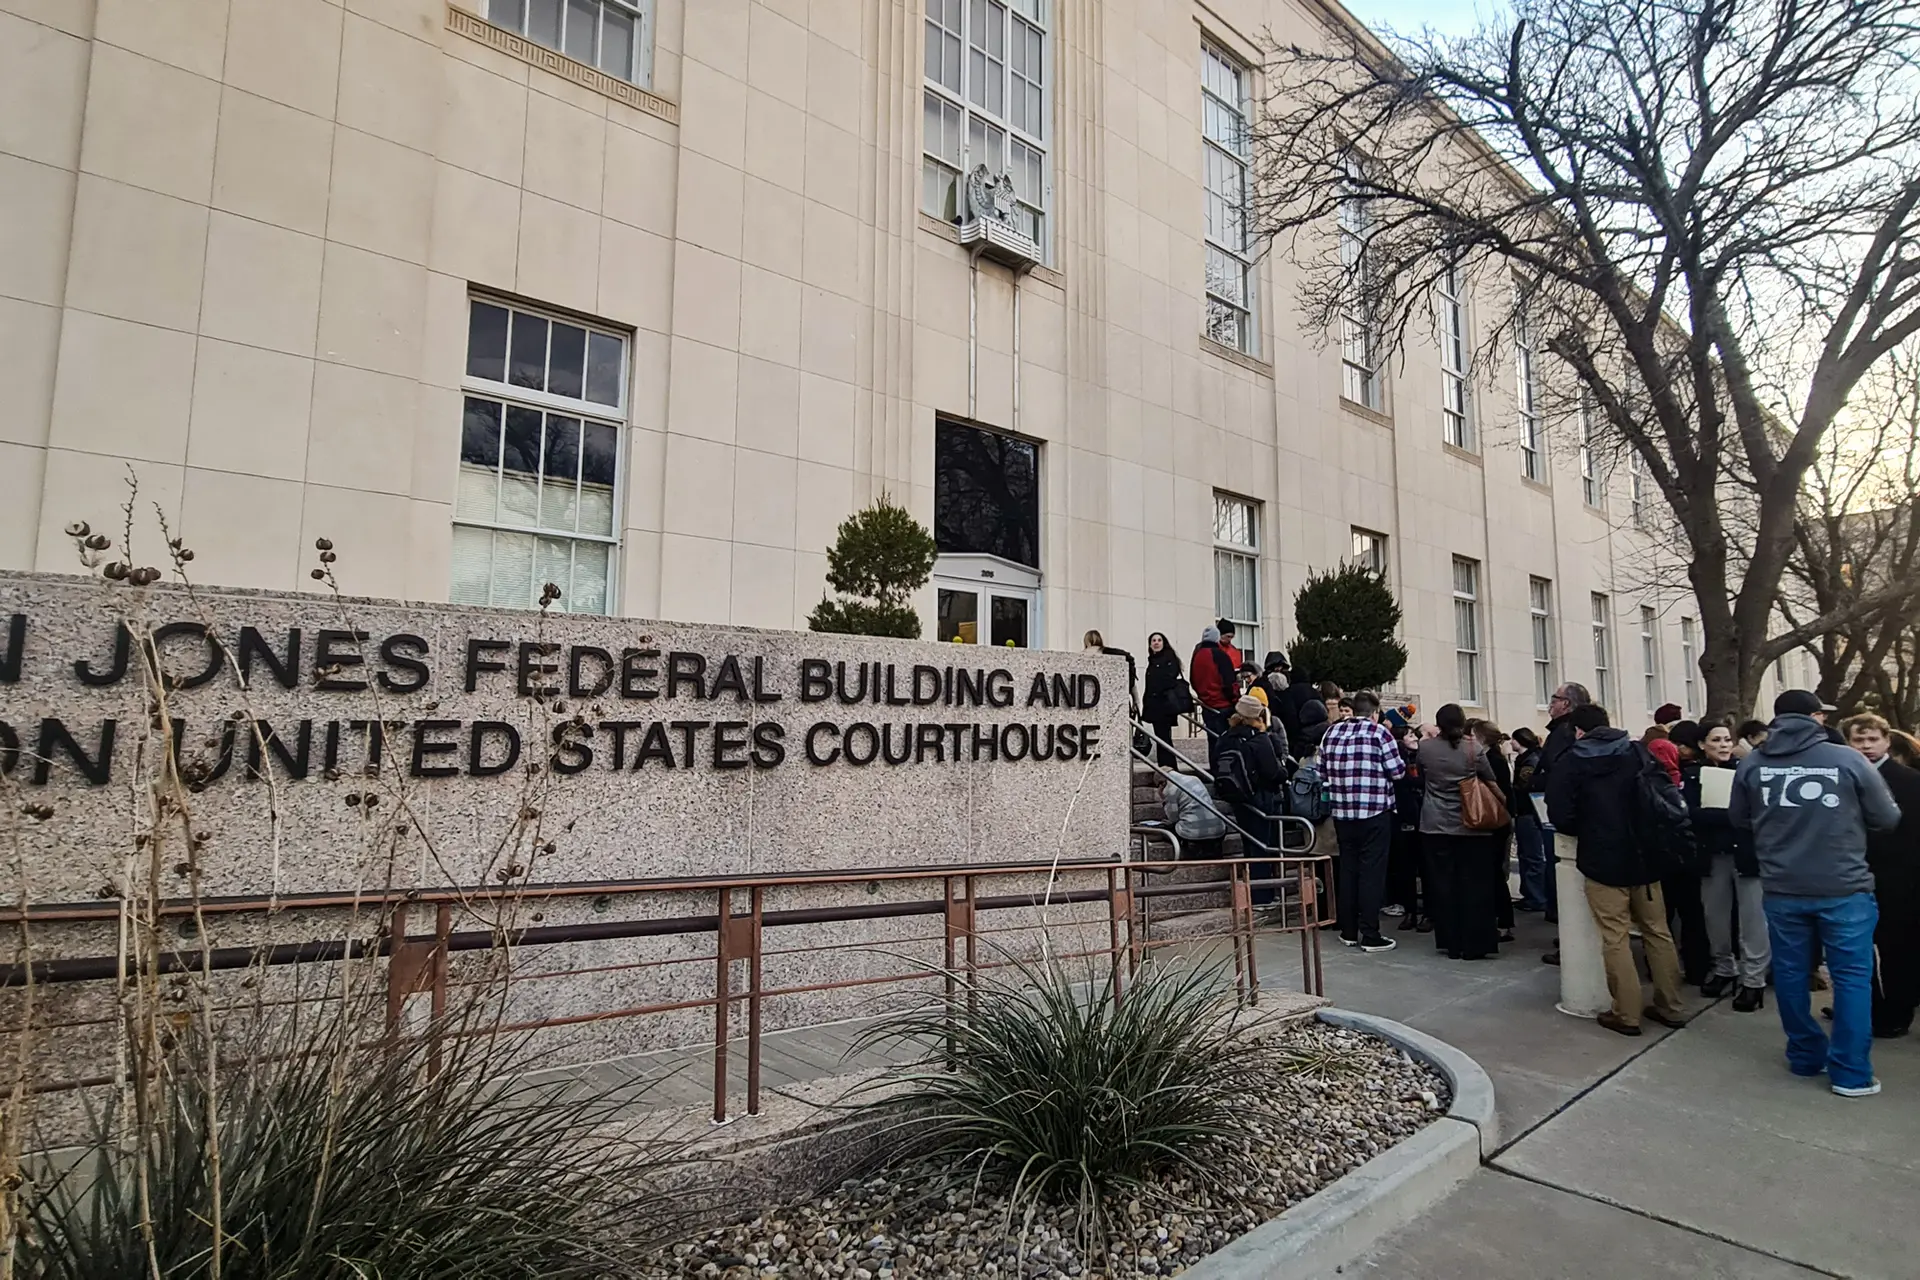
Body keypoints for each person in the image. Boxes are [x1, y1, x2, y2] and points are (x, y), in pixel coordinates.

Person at [1730, 690, 1901, 1096]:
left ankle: (1805, 1056)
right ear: (1816, 718)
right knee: (1852, 979)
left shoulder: (1754, 762)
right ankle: (1851, 1072)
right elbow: (1887, 817)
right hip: (1844, 886)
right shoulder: (1846, 759)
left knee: (1790, 974)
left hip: (1782, 887)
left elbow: (1739, 818)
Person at [1546, 703, 1687, 1037]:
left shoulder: (1572, 761)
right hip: (1645, 852)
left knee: (1615, 935)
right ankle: (1671, 1005)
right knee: (1657, 930)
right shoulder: (1637, 752)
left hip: (1603, 856)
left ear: (1578, 731)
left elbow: (1561, 814)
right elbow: (1663, 793)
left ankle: (1627, 1012)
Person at [1841, 713, 1920, 1039]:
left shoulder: (1910, 780)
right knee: (1856, 948)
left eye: (1872, 739)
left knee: (1897, 948)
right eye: (1859, 740)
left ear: (1887, 740)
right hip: (1853, 874)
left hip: (1899, 876)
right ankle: (1866, 1008)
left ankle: (1898, 1011)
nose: (1866, 747)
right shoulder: (1842, 778)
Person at [1687, 721, 1768, 1010]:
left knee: (1753, 920)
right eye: (1716, 739)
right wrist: (1731, 816)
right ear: (1702, 744)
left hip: (1747, 854)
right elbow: (1692, 813)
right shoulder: (1694, 774)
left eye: (1726, 739)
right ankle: (1724, 968)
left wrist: (1726, 815)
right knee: (1715, 917)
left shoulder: (1748, 770)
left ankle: (1753, 980)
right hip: (1713, 855)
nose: (1723, 745)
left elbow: (1759, 811)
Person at [1319, 690, 1407, 953]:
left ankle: (1348, 930)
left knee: (1348, 869)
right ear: (1375, 712)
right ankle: (1370, 933)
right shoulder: (1380, 733)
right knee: (1371, 873)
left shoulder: (1331, 733)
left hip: (1343, 812)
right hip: (1374, 810)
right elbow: (1397, 771)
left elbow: (1321, 770)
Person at [1417, 704, 1503, 961]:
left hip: (1434, 822)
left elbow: (1423, 774)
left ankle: (1450, 941)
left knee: (1443, 885)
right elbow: (1489, 779)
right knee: (1474, 886)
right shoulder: (1472, 748)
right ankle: (1475, 942)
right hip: (1470, 823)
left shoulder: (1426, 748)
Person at [1533, 682, 1591, 961]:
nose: (1550, 704)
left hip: (1564, 816)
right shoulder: (1566, 733)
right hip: (1571, 812)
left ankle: (1572, 940)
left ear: (1566, 704)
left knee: (1566, 874)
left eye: (1554, 699)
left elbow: (1557, 774)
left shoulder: (1564, 734)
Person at [1216, 696, 1288, 897]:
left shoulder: (1226, 737)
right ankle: (1262, 895)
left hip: (1238, 797)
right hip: (1261, 798)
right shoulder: (1259, 739)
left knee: (1249, 845)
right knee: (1262, 848)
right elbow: (1273, 772)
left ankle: (1250, 892)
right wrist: (1283, 769)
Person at [1474, 721, 1517, 944]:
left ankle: (1503, 921)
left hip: (1496, 820)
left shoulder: (1493, 760)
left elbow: (1500, 791)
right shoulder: (1493, 758)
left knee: (1495, 873)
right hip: (1498, 819)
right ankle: (1500, 919)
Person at [1388, 724, 1429, 932]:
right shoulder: (1398, 758)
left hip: (1423, 815)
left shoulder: (1423, 757)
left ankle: (1428, 913)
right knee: (1405, 868)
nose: (1414, 738)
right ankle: (1410, 911)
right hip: (1404, 815)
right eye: (1410, 735)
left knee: (1425, 867)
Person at [1511, 727, 1550, 912]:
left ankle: (1536, 896)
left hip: (1528, 811)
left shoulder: (1530, 761)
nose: (1511, 743)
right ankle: (1530, 894)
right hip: (1525, 811)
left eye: (1513, 739)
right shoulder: (1527, 759)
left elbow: (1524, 786)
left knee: (1532, 855)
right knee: (1526, 855)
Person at [1189, 626, 1238, 769]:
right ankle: (1225, 774)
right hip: (1223, 706)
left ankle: (1215, 772)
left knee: (1213, 741)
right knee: (1226, 743)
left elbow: (1193, 679)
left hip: (1207, 704)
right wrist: (1235, 701)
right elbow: (1229, 682)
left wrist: (1203, 696)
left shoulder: (1197, 655)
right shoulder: (1219, 655)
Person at [1140, 632, 1187, 767]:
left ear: (1164, 642)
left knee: (1164, 739)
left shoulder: (1168, 658)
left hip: (1164, 706)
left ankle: (1169, 769)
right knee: (1161, 739)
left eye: (1159, 640)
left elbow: (1167, 680)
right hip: (1155, 706)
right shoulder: (1153, 660)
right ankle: (1165, 769)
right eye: (1153, 640)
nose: (1156, 642)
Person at [1162, 769, 1226, 860]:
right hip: (1218, 828)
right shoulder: (1195, 779)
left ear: (1162, 784)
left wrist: (1164, 800)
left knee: (1167, 831)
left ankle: (1191, 852)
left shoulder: (1170, 788)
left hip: (1191, 833)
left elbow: (1173, 818)